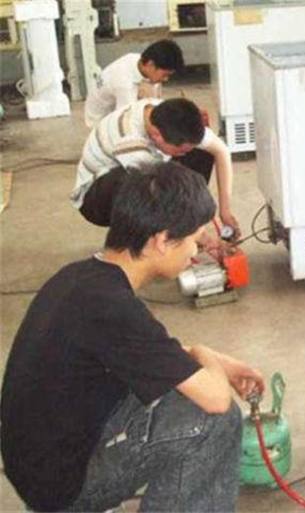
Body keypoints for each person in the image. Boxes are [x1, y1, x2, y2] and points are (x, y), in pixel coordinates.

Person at [1, 161, 264, 512]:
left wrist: (219, 363)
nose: (195, 252)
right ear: (161, 241)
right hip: (62, 486)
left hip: (37, 460)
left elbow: (144, 353)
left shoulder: (83, 278)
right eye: (193, 240)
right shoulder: (113, 307)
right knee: (213, 422)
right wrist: (205, 354)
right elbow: (216, 399)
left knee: (182, 389)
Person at [71, 97, 240, 239]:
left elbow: (221, 151)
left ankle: (184, 222)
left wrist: (225, 212)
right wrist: (199, 238)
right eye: (180, 151)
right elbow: (159, 191)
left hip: (143, 168)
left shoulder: (167, 115)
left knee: (201, 152)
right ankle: (138, 242)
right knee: (142, 185)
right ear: (156, 136)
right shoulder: (131, 140)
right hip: (96, 199)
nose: (183, 155)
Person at [84, 39, 184, 128]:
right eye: (165, 75)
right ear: (151, 64)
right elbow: (126, 120)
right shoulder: (124, 84)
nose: (166, 79)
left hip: (114, 102)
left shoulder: (136, 59)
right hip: (99, 120)